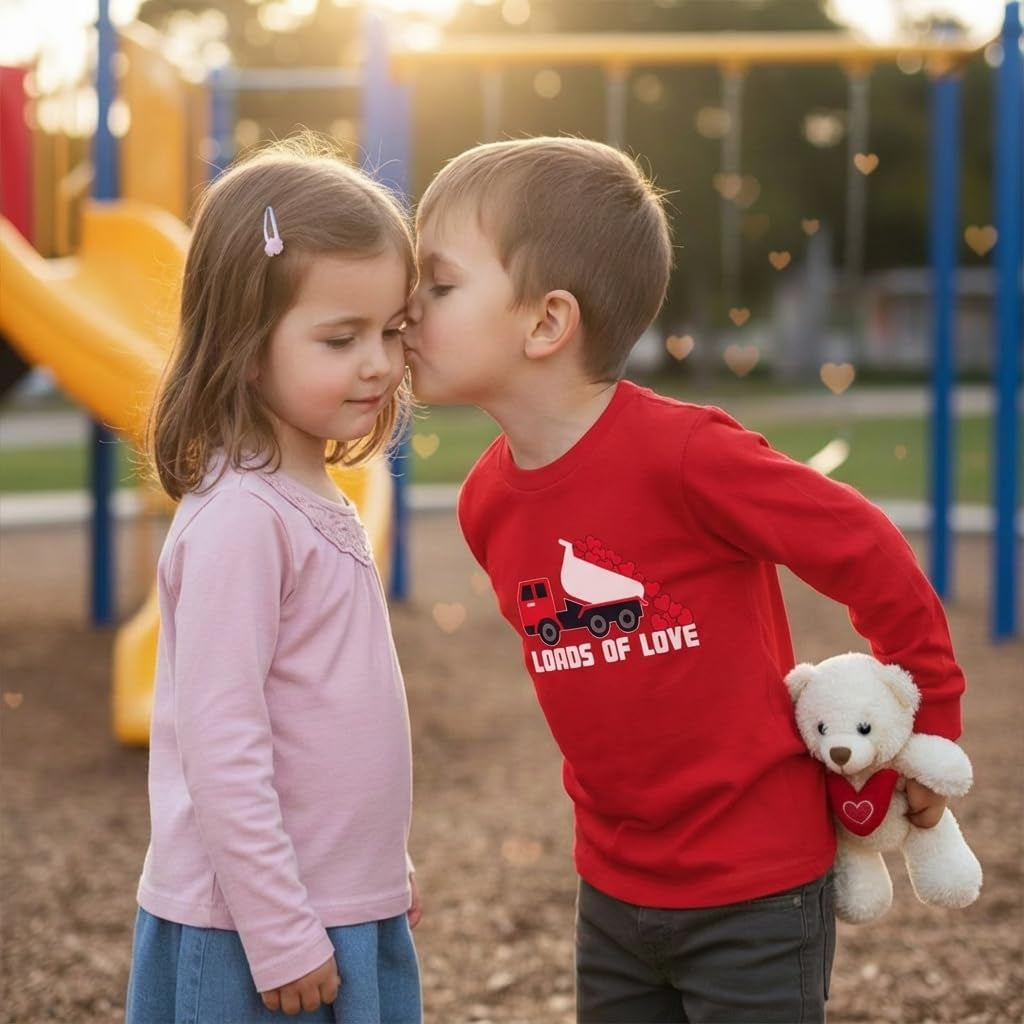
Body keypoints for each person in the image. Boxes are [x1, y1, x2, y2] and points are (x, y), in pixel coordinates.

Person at [404, 136, 967, 1024]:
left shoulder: (688, 456)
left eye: (436, 284)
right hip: (614, 890)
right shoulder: (487, 503)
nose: (406, 308)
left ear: (546, 323)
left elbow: (864, 545)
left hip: (758, 889)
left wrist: (930, 717)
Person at [125, 138, 422, 1024]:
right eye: (342, 338)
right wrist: (279, 930)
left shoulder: (308, 488)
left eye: (392, 331)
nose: (378, 362)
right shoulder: (241, 518)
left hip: (331, 900)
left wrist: (379, 862)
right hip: (256, 932)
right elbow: (222, 744)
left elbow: (330, 708)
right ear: (247, 347)